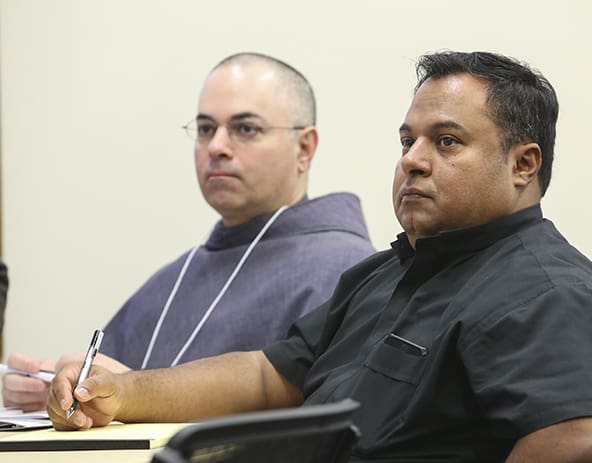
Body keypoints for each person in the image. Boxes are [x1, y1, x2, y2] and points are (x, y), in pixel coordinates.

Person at [47, 51, 592, 462]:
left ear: (524, 164)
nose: (413, 159)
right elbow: (269, 377)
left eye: (446, 141)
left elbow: (585, 442)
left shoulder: (551, 293)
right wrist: (122, 392)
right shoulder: (386, 275)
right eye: (407, 140)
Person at [3, 53, 374, 412]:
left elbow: (320, 429)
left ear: (305, 148)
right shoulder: (177, 276)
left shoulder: (350, 270)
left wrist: (133, 392)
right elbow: (106, 389)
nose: (216, 147)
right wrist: (61, 388)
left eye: (245, 129)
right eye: (206, 129)